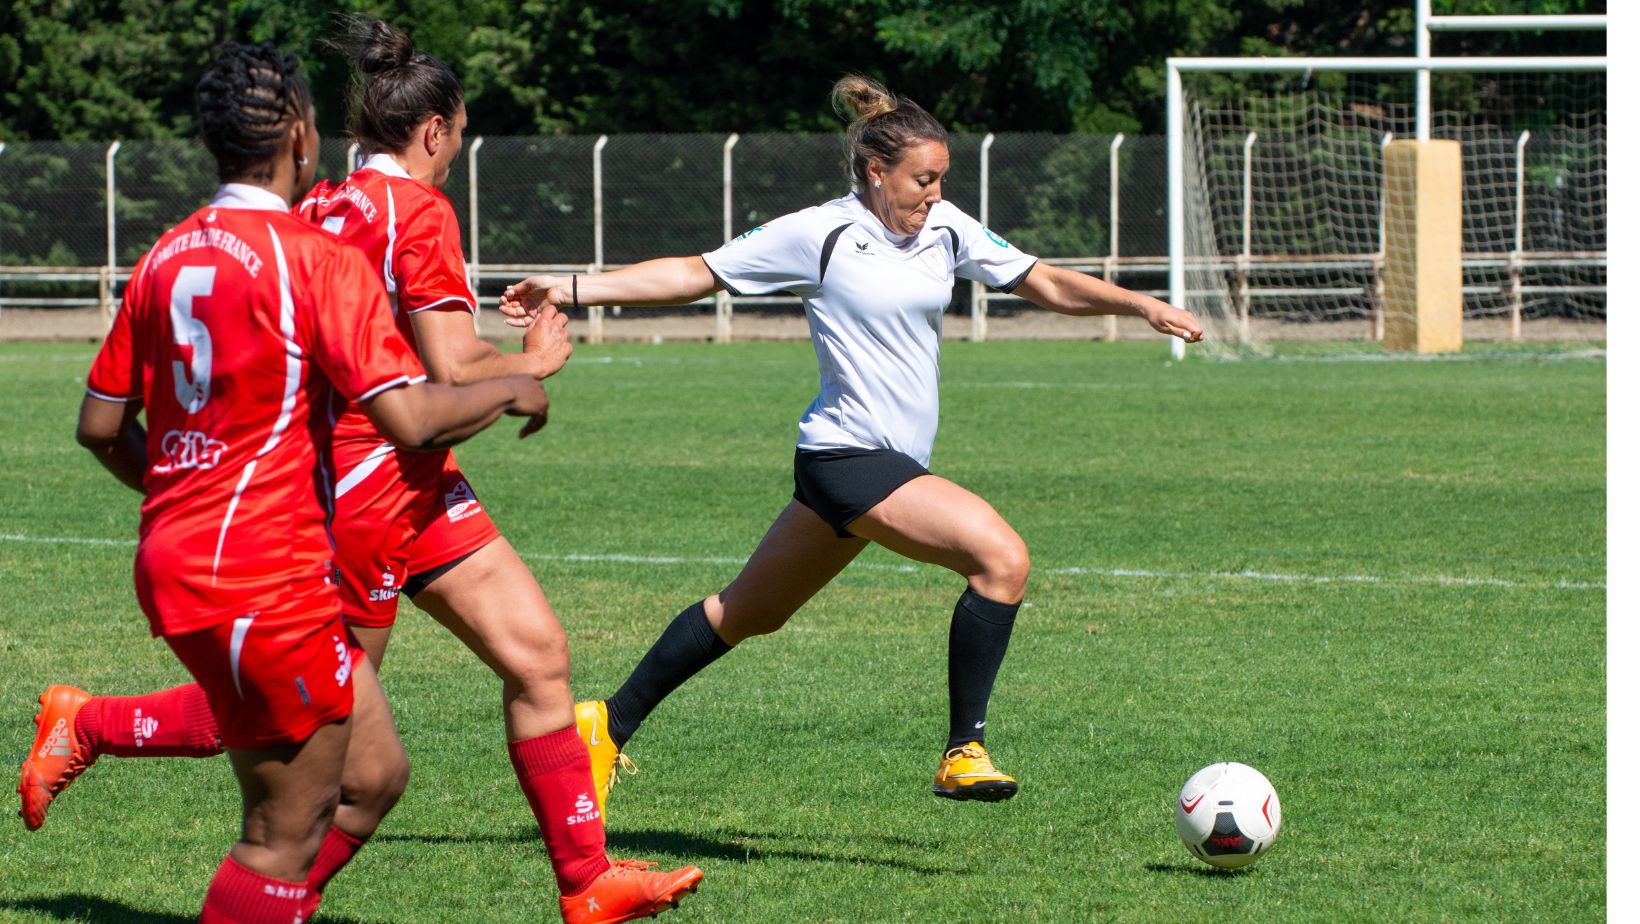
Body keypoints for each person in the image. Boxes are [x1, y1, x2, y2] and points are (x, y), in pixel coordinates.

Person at [19, 18, 703, 924]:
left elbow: (116, 422)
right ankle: (103, 731)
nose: (457, 149)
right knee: (329, 741)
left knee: (535, 654)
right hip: (364, 489)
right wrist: (528, 366)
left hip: (407, 477)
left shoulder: (317, 208)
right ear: (435, 131)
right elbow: (446, 373)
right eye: (459, 134)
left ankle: (585, 880)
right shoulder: (415, 212)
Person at [500, 74, 1204, 809]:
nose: (934, 193)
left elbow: (1044, 281)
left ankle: (604, 725)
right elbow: (693, 274)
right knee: (1002, 559)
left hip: (885, 467)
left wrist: (1139, 304)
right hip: (846, 459)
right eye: (922, 179)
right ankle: (965, 749)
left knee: (746, 613)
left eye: (941, 180)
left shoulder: (947, 228)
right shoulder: (821, 232)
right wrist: (571, 288)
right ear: (876, 170)